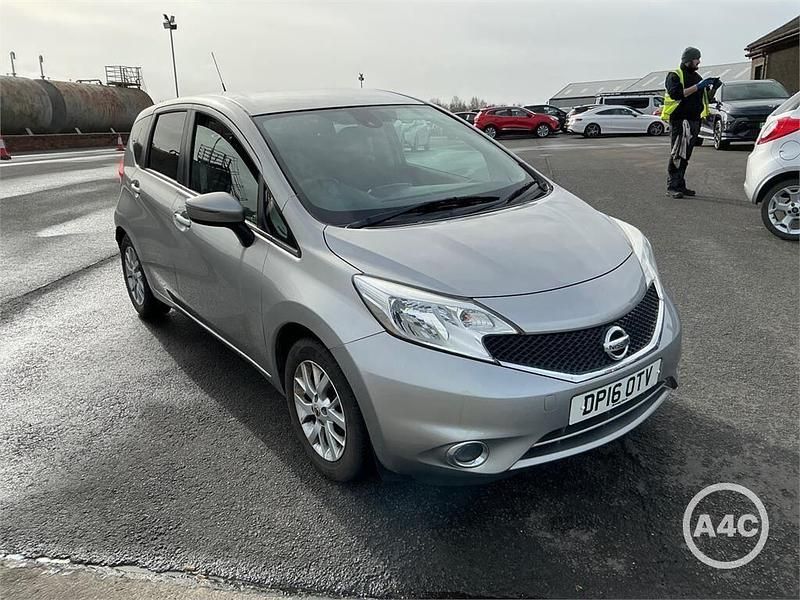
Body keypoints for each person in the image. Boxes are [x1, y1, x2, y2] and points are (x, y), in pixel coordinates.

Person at [661, 47, 721, 198]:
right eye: (697, 58)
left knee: (685, 155)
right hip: (680, 120)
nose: (699, 61)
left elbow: (705, 97)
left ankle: (680, 185)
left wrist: (712, 89)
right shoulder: (674, 75)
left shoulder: (697, 76)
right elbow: (676, 94)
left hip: (694, 120)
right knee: (677, 153)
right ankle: (672, 186)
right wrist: (699, 86)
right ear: (689, 59)